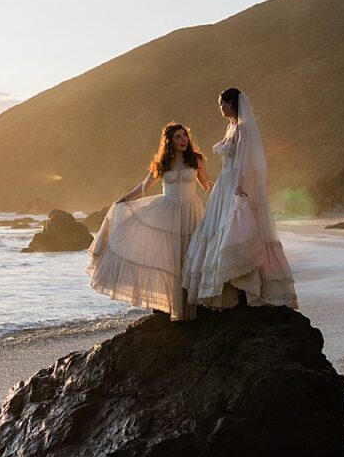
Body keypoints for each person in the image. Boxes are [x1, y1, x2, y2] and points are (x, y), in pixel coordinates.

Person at [183, 87, 298, 310]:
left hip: (235, 182)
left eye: (222, 104)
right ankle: (226, 283)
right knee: (218, 229)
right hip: (224, 182)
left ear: (231, 103)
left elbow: (247, 160)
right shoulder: (230, 127)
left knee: (235, 229)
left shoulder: (244, 128)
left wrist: (240, 186)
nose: (220, 108)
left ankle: (247, 281)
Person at [87, 122, 211, 321]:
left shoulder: (196, 160)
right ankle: (171, 305)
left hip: (191, 212)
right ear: (169, 141)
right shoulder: (163, 162)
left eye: (185, 136)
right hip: (167, 214)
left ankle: (193, 304)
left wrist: (229, 189)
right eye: (178, 137)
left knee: (191, 255)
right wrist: (124, 199)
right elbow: (143, 186)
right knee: (170, 260)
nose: (183, 140)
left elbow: (206, 184)